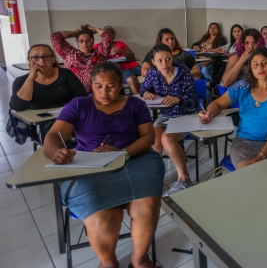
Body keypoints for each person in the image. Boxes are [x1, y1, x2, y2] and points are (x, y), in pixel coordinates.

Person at [43, 62, 164, 268]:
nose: (104, 92)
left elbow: (148, 137)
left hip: (134, 159)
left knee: (148, 204)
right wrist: (57, 152)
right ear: (91, 85)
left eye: (111, 86)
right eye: (99, 86)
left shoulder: (136, 105)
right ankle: (108, 262)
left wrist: (123, 152)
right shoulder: (79, 105)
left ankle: (140, 258)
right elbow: (54, 136)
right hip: (91, 165)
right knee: (105, 215)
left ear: (120, 85)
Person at [200, 48, 267, 169]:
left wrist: (260, 157)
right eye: (255, 64)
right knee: (247, 172)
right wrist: (209, 114)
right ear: (251, 68)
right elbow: (217, 104)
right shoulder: (243, 87)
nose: (260, 67)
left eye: (264, 63)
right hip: (244, 142)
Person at [140, 44, 199, 196]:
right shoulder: (152, 74)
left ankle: (184, 179)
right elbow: (143, 88)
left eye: (168, 59)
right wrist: (146, 92)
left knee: (167, 138)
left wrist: (178, 99)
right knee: (153, 138)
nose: (164, 63)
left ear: (172, 58)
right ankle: (155, 177)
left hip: (186, 114)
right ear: (153, 61)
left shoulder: (183, 72)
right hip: (166, 116)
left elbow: (193, 99)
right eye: (160, 60)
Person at [9, 44, 87, 143]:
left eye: (45, 56)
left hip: (68, 116)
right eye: (35, 57)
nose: (41, 61)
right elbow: (17, 106)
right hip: (41, 123)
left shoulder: (66, 74)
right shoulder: (21, 81)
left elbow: (82, 98)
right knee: (54, 139)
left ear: (53, 58)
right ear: (29, 60)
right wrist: (31, 79)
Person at [50, 24, 111, 93]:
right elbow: (54, 36)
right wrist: (76, 32)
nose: (85, 44)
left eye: (88, 40)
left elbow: (107, 36)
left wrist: (95, 29)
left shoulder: (100, 54)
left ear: (93, 41)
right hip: (72, 93)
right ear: (77, 42)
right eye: (81, 41)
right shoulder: (69, 53)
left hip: (95, 93)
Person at [93, 25, 142, 94]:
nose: (109, 36)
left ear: (114, 35)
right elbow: (94, 59)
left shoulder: (120, 43)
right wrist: (108, 54)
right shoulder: (98, 46)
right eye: (107, 34)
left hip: (130, 66)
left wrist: (120, 51)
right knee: (131, 79)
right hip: (117, 69)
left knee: (148, 74)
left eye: (111, 33)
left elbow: (132, 55)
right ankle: (139, 99)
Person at [212, 24, 243, 93]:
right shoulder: (232, 43)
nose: (237, 33)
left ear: (242, 32)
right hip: (227, 61)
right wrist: (210, 50)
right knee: (216, 63)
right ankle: (215, 85)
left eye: (238, 31)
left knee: (223, 65)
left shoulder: (243, 43)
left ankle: (215, 85)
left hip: (235, 62)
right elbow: (222, 48)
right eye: (234, 31)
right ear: (232, 34)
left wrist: (227, 54)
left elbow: (238, 54)